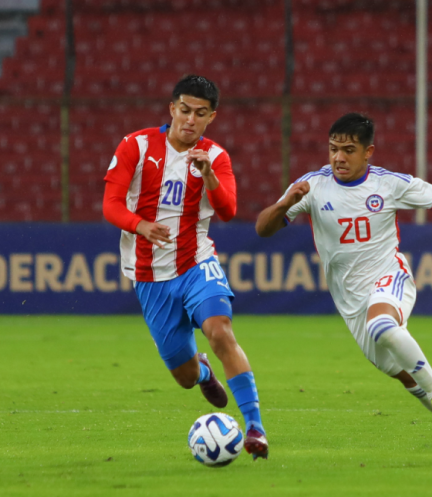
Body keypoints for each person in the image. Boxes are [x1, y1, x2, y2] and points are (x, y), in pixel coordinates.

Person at [255, 112, 432, 467]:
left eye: (348, 150)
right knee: (407, 377)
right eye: (333, 149)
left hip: (390, 277)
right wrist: (284, 204)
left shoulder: (389, 184)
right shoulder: (312, 186)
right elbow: (263, 229)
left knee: (383, 326)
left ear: (368, 152)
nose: (339, 157)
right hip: (350, 303)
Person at [102, 75, 268, 460]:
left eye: (200, 113)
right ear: (172, 108)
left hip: (196, 263)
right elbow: (111, 204)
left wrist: (208, 174)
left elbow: (228, 211)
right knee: (185, 377)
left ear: (212, 117)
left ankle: (255, 427)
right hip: (149, 276)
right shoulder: (136, 146)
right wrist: (140, 225)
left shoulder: (216, 157)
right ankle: (204, 372)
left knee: (220, 330)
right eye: (185, 110)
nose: (190, 120)